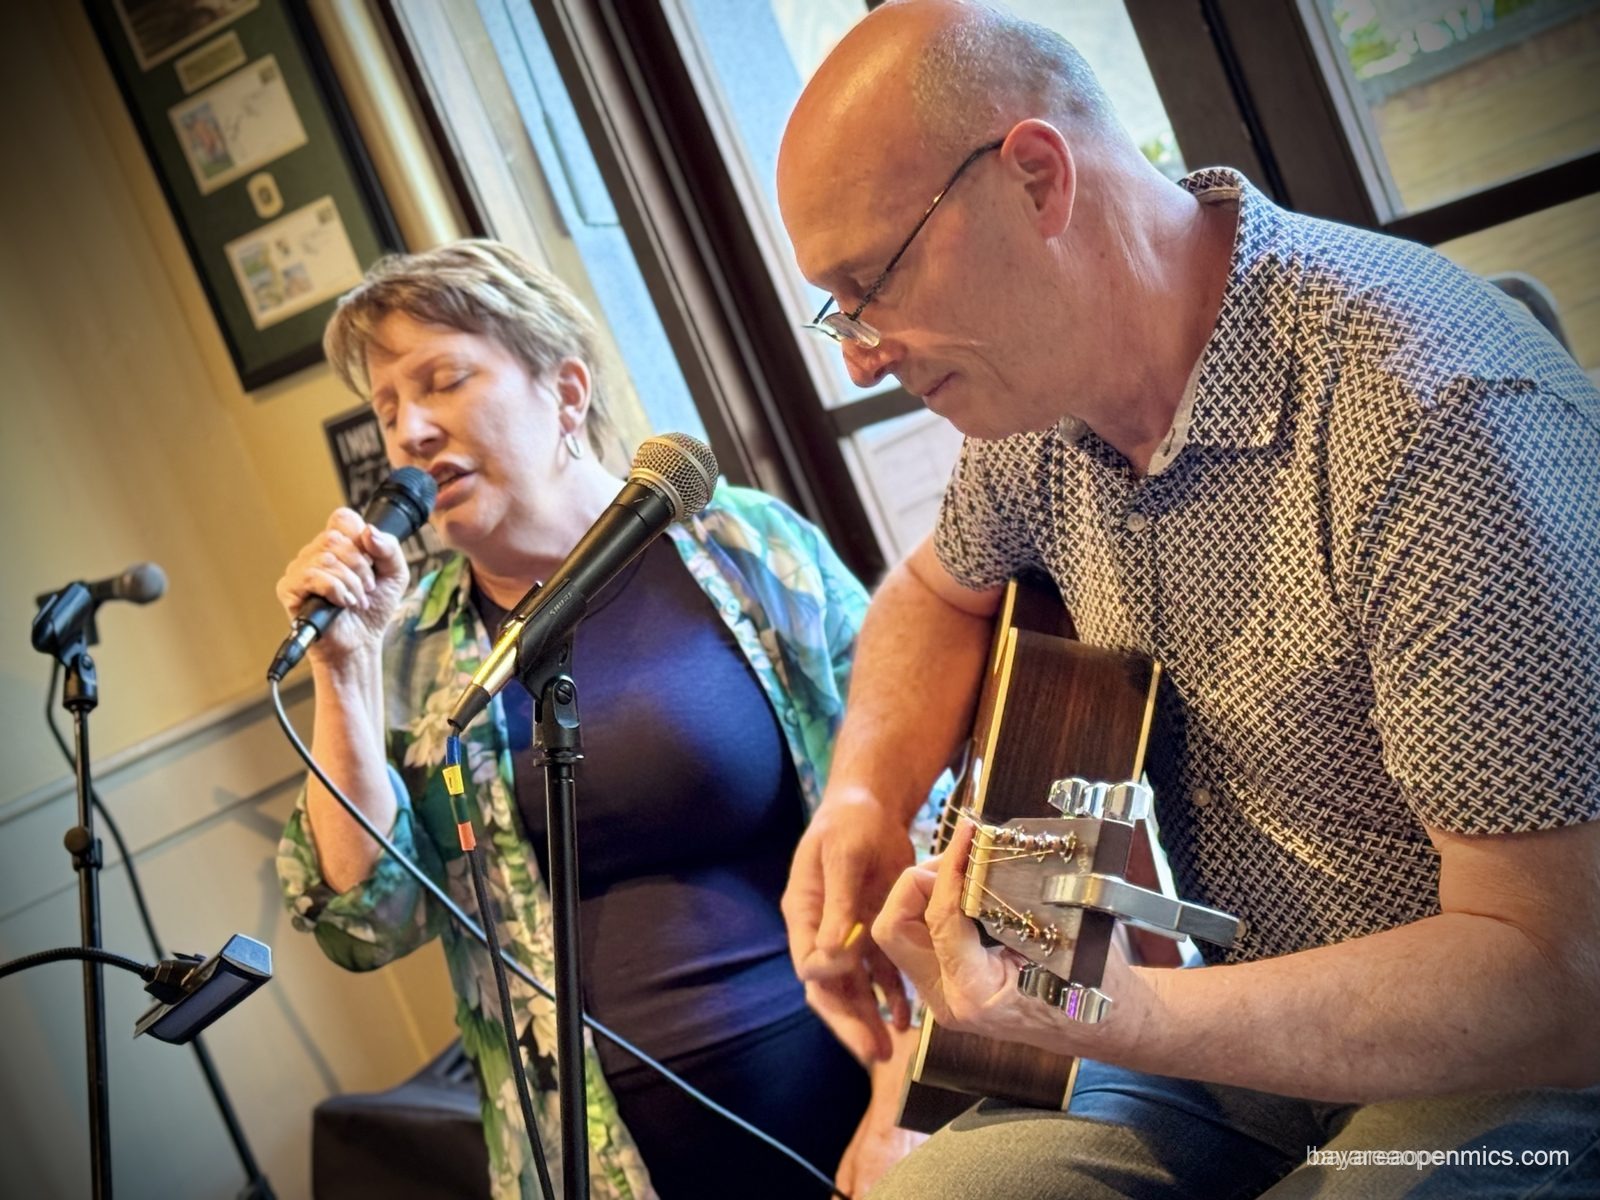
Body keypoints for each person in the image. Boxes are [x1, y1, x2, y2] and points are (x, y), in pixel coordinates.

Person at [774, 2, 1600, 1196]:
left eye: (872, 283)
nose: (856, 354)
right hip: (1216, 1036)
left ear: (1036, 179)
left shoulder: (1433, 413)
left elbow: (1555, 976)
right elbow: (932, 594)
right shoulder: (1037, 416)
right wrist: (864, 791)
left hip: (1501, 1066)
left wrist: (1125, 1013)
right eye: (834, 306)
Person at [274, 240, 921, 1199]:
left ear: (567, 392)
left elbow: (926, 810)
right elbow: (368, 922)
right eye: (386, 409)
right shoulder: (408, 648)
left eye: (442, 382)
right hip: (599, 1172)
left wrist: (903, 1106)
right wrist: (345, 670)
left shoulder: (747, 549)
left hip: (859, 1115)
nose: (408, 430)